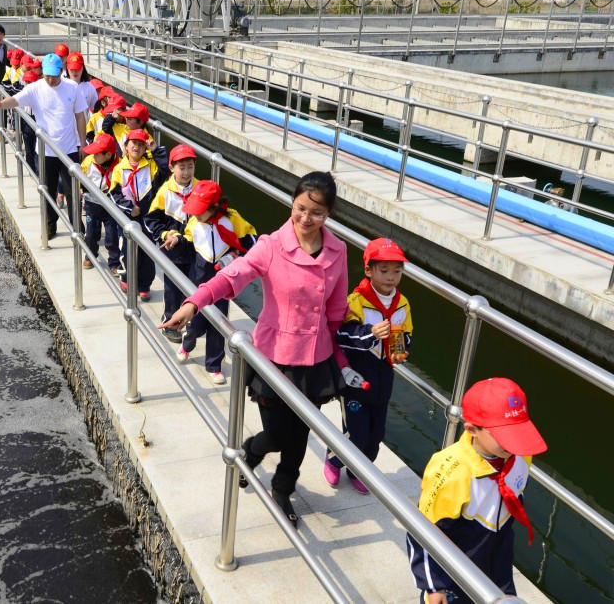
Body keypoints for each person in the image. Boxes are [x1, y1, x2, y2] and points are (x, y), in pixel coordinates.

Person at [160, 171, 349, 526]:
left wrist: (345, 355)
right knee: (277, 434)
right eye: (301, 208)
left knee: (300, 434)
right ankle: (250, 451)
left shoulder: (338, 251)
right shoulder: (271, 245)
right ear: (292, 203)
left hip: (316, 356)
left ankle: (283, 488)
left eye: (317, 213)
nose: (306, 218)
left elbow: (338, 308)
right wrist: (193, 304)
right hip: (275, 355)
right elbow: (232, 276)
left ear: (329, 214)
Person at [407, 377, 546, 604]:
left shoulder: (520, 455)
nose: (515, 444)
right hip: (454, 573)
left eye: (519, 432)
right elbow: (423, 531)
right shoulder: (453, 472)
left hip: (498, 564)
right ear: (472, 429)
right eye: (506, 436)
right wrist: (433, 586)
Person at [324, 237, 413, 494]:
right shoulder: (356, 301)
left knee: (376, 436)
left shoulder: (403, 303)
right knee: (356, 433)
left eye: (397, 271)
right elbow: (341, 336)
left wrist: (401, 350)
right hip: (356, 378)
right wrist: (370, 333)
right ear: (368, 271)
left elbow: (407, 333)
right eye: (384, 270)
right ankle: (334, 459)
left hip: (384, 377)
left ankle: (358, 470)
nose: (391, 277)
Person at [0, 53, 88, 240]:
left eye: (54, 76)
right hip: (46, 150)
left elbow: (80, 116)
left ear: (61, 71)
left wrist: (82, 144)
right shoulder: (35, 88)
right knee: (47, 190)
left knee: (72, 192)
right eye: (47, 75)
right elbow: (16, 100)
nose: (50, 79)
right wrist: (0, 104)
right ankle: (50, 225)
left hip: (69, 149)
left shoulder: (72, 87)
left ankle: (77, 227)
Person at [173, 181, 257, 384]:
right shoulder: (194, 222)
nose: (195, 214)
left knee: (218, 325)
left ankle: (214, 365)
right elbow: (186, 243)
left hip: (223, 281)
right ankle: (188, 343)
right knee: (195, 322)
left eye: (199, 210)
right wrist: (176, 241)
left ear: (214, 206)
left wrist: (235, 254)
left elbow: (252, 240)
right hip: (198, 278)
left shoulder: (232, 219)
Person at [145, 144, 198, 342]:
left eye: (190, 167)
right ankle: (170, 322)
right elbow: (151, 219)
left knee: (193, 286)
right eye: (181, 167)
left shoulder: (200, 189)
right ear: (171, 167)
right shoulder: (165, 191)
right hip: (173, 252)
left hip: (195, 249)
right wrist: (165, 234)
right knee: (172, 289)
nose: (186, 172)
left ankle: (190, 320)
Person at [110, 128, 169, 300]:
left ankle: (144, 285)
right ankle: (126, 277)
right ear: (126, 147)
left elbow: (165, 170)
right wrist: (129, 207)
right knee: (126, 249)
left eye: (141, 145)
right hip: (128, 217)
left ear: (145, 148)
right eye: (133, 143)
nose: (137, 147)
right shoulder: (119, 169)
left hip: (148, 217)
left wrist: (156, 150)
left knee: (147, 252)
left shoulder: (150, 165)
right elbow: (114, 193)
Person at [80, 133, 122, 275]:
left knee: (112, 236)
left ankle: (114, 262)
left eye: (97, 154)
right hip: (92, 204)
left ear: (108, 155)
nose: (93, 156)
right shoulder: (88, 162)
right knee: (91, 234)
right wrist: (80, 187)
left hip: (110, 206)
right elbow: (80, 176)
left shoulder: (120, 166)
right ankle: (90, 256)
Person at [65, 52, 98, 124]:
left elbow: (96, 111)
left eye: (77, 68)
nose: (74, 72)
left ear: (83, 68)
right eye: (72, 69)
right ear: (67, 68)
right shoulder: (62, 86)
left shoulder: (90, 88)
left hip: (84, 127)